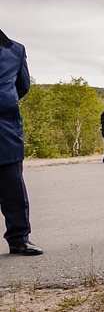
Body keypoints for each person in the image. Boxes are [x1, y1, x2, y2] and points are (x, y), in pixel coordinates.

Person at [0, 29, 43, 256]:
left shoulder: (15, 50)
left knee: (13, 189)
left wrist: (6, 101)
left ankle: (18, 239)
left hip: (5, 130)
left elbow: (22, 86)